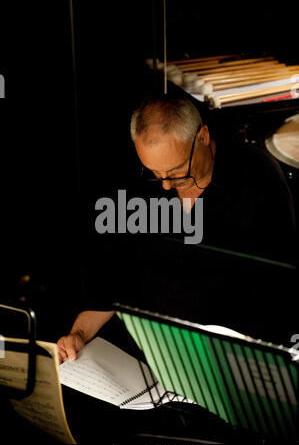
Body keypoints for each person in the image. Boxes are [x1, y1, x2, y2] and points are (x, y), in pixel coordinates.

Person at [58, 94, 297, 361]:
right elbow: (109, 283)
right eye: (155, 173)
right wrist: (78, 335)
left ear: (203, 137)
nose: (166, 185)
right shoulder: (135, 183)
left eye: (177, 170)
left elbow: (278, 294)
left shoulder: (256, 179)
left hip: (230, 358)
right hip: (146, 358)